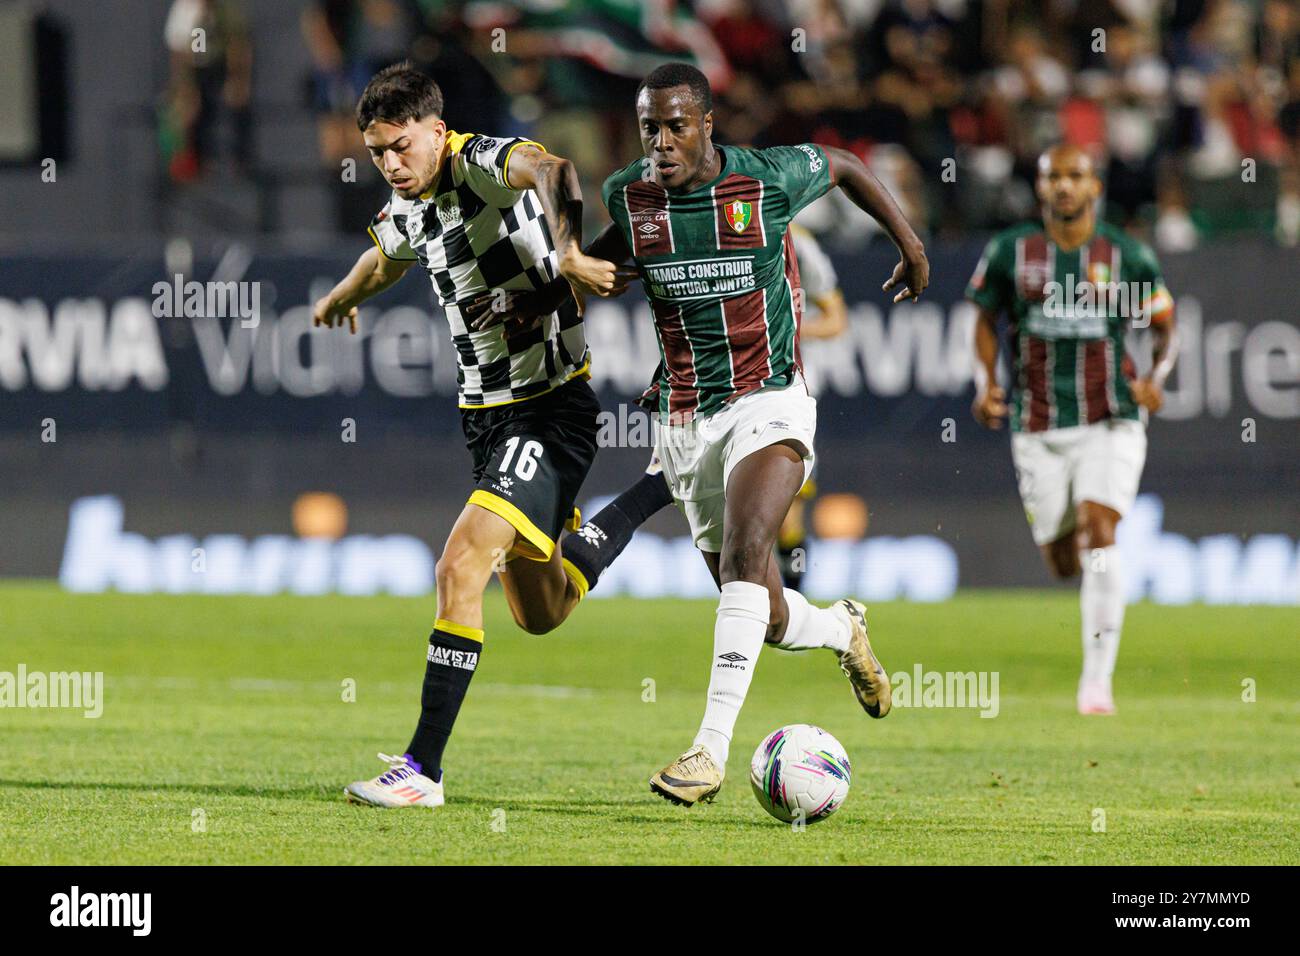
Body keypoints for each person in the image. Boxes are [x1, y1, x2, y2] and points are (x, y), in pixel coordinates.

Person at [312, 62, 651, 809]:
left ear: (438, 131)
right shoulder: (413, 203)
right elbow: (386, 256)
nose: (391, 164)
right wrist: (340, 295)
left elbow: (555, 171)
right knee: (543, 610)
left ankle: (422, 771)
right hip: (486, 421)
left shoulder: (479, 163)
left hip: (548, 408)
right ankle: (657, 488)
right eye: (377, 153)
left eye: (402, 146)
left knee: (459, 566)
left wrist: (565, 250)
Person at [595, 62, 929, 805]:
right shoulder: (631, 195)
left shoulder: (766, 179)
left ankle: (706, 754)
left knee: (752, 551)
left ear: (707, 124)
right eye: (650, 127)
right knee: (762, 607)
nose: (661, 142)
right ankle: (843, 631)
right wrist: (569, 280)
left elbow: (843, 165)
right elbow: (611, 259)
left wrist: (909, 242)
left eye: (676, 125)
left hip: (769, 398)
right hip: (685, 418)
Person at [967, 144, 1178, 715]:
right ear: (1040, 188)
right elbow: (985, 318)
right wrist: (986, 381)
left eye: (1075, 176)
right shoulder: (1013, 252)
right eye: (1053, 176)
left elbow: (1165, 324)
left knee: (1100, 527)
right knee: (1063, 561)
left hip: (1111, 415)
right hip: (1037, 423)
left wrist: (1156, 375)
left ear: (1094, 187)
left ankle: (1096, 684)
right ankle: (1080, 578)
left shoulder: (1125, 254)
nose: (1064, 186)